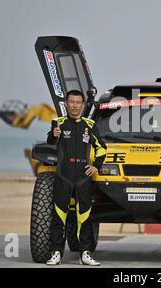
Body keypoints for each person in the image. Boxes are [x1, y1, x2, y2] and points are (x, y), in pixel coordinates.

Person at [45, 90, 107, 266]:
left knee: (85, 217)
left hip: (83, 178)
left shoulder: (90, 125)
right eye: (71, 102)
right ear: (66, 103)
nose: (74, 105)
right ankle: (56, 253)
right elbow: (50, 141)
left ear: (83, 105)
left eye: (78, 102)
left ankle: (85, 254)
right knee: (59, 216)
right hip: (63, 176)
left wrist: (96, 166)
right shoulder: (59, 123)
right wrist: (54, 135)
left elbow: (102, 149)